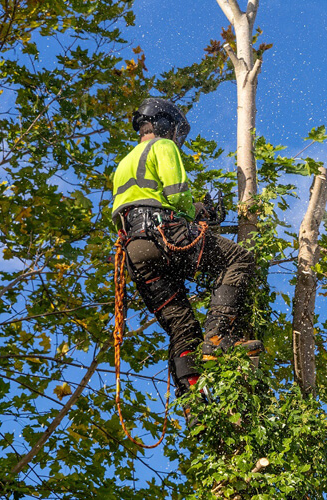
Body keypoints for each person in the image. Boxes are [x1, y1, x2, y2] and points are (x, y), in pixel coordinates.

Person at [111, 97, 263, 409]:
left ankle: (194, 403)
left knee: (182, 326)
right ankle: (218, 336)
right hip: (164, 232)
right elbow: (177, 198)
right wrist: (203, 210)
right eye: (177, 131)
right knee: (239, 259)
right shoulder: (162, 147)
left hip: (136, 251)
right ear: (165, 124)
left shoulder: (124, 163)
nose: (178, 139)